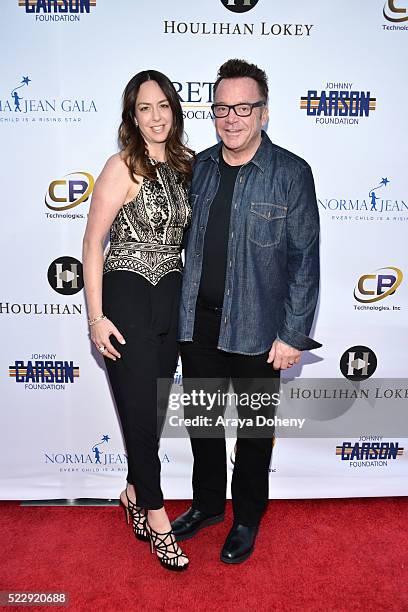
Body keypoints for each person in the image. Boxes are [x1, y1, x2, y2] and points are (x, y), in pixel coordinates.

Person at [173, 59, 321, 564]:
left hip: (261, 332)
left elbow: (305, 262)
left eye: (243, 107)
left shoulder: (291, 173)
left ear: (263, 113)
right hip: (198, 327)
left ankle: (246, 518)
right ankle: (209, 506)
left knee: (255, 436)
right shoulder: (200, 167)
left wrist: (293, 335)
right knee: (204, 427)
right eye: (221, 107)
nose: (231, 117)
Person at [82, 70, 193, 571]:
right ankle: (157, 516)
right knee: (141, 417)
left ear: (175, 109)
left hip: (170, 299)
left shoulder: (187, 165)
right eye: (144, 108)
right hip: (126, 298)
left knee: (152, 411)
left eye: (163, 105)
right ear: (132, 116)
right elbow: (91, 244)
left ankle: (131, 489)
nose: (156, 116)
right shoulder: (120, 167)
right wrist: (96, 318)